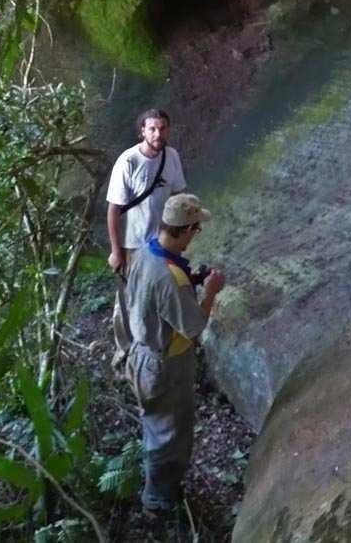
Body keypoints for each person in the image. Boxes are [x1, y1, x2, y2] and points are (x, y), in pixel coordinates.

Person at [125, 193, 225, 515]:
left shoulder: (144, 253)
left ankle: (158, 492)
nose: (196, 235)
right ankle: (159, 501)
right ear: (184, 230)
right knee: (170, 435)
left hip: (141, 355)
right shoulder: (172, 278)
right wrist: (209, 292)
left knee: (156, 426)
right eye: (196, 229)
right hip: (165, 366)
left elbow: (153, 295)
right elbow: (194, 326)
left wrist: (191, 281)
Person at [106, 109, 187, 363]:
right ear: (142, 130)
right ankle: (125, 350)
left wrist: (180, 235)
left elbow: (177, 197)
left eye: (162, 128)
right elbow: (113, 210)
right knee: (131, 297)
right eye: (152, 129)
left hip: (162, 243)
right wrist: (117, 251)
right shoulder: (128, 161)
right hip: (134, 245)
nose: (157, 134)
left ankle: (158, 345)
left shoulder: (171, 157)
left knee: (161, 292)